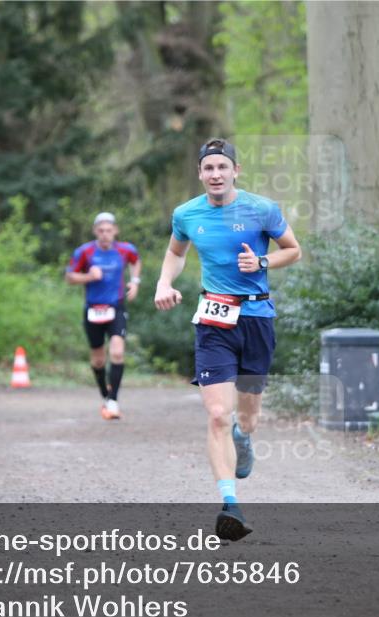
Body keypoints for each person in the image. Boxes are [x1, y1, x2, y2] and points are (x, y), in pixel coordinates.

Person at [154, 138, 302, 540]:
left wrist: (263, 261)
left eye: (222, 167)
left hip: (256, 318)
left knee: (246, 416)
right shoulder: (186, 213)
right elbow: (176, 252)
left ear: (235, 171)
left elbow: (294, 249)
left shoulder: (261, 209)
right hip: (213, 320)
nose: (215, 174)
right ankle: (230, 504)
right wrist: (164, 282)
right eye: (208, 168)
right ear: (200, 174)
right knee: (218, 413)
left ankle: (245, 435)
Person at [66, 212, 141, 419]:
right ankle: (105, 396)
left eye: (109, 230)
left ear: (115, 231)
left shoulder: (126, 250)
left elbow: (136, 262)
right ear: (95, 231)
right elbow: (70, 276)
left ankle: (113, 401)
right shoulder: (85, 252)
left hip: (116, 306)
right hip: (93, 309)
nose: (105, 234)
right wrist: (88, 276)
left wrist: (135, 282)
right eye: (101, 231)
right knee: (98, 360)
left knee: (117, 352)